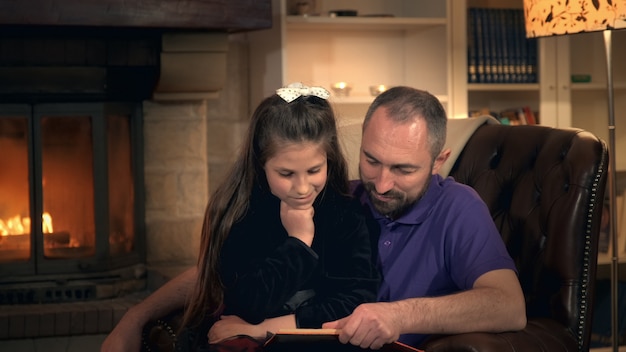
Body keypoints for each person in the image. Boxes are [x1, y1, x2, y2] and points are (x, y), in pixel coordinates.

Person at [100, 82, 380, 352]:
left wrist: (270, 327)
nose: (303, 188)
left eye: (314, 170)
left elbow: (355, 300)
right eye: (286, 174)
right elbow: (248, 303)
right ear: (261, 165)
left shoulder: (346, 214)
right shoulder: (241, 213)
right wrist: (299, 242)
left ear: (328, 161)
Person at [321, 86, 527, 349]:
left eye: (403, 169)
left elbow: (509, 306)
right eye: (371, 161)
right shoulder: (341, 198)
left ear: (438, 161)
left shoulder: (458, 207)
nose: (382, 185)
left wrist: (399, 315)